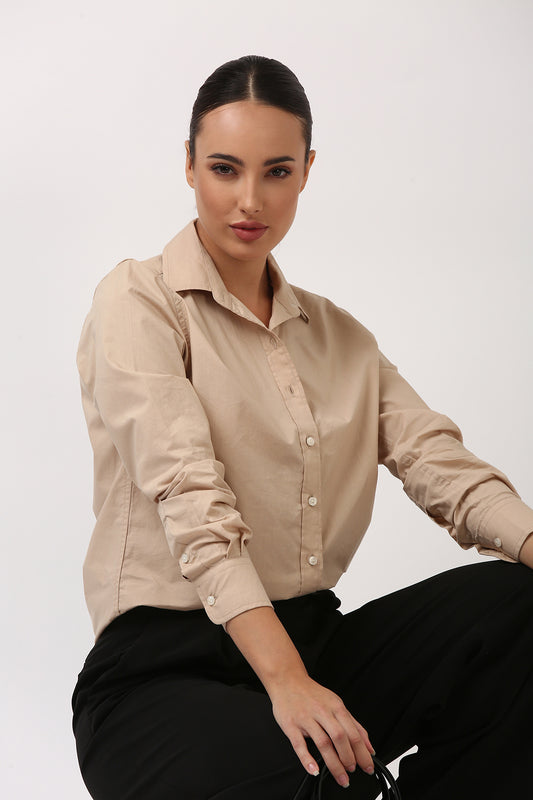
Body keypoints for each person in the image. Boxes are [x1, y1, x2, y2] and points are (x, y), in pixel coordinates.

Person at [71, 55, 533, 800]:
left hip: (313, 645)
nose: (249, 199)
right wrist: (286, 683)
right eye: (225, 169)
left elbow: (438, 465)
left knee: (518, 610)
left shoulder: (338, 337)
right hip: (161, 675)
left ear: (307, 171)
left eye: (277, 171)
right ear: (188, 165)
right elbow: (190, 497)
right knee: (319, 771)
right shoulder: (139, 299)